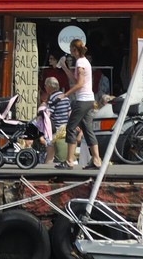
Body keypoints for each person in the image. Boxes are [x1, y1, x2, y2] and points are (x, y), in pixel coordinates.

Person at [65, 39, 103, 169]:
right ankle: (97, 160)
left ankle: (69, 160)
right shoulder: (84, 61)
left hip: (82, 100)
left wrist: (65, 94)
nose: (70, 52)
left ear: (75, 50)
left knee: (70, 127)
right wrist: (64, 67)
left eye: (71, 49)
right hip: (89, 99)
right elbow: (77, 80)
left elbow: (79, 84)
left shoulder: (80, 62)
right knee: (87, 129)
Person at [43, 76, 72, 166]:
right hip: (65, 128)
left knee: (50, 154)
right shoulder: (65, 97)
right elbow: (69, 113)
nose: (45, 88)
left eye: (45, 86)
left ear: (49, 87)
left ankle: (46, 170)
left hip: (55, 129)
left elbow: (48, 114)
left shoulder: (52, 98)